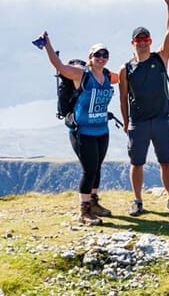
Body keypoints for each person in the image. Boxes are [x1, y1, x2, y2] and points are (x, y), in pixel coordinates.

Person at [41, 34, 118, 225]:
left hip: (102, 130)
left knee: (97, 167)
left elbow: (126, 75)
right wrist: (48, 45)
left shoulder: (108, 76)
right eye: (97, 54)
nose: (101, 57)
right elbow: (59, 66)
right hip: (82, 131)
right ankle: (83, 211)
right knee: (89, 169)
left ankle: (94, 203)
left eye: (105, 54)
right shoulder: (82, 74)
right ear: (90, 57)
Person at [118, 0, 169, 217]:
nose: (142, 43)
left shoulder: (160, 58)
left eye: (145, 40)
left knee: (166, 161)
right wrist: (126, 122)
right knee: (137, 163)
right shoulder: (125, 69)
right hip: (139, 122)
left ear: (150, 41)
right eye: (138, 40)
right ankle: (137, 201)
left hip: (161, 119)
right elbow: (123, 98)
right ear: (132, 43)